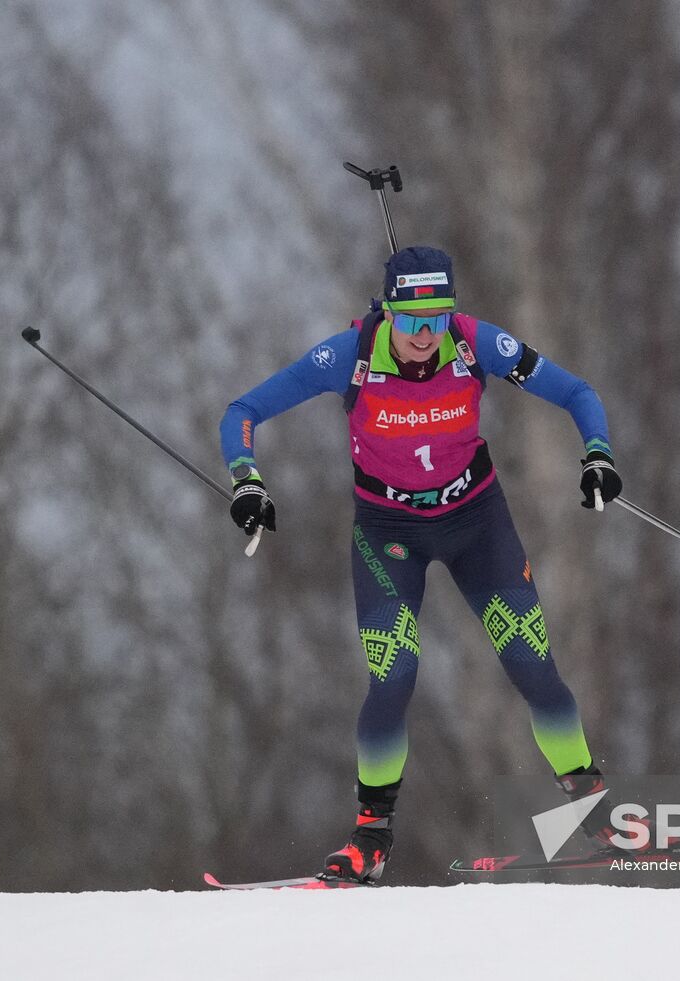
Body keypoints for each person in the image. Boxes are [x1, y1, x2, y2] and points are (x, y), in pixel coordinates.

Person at [218, 245, 624, 882]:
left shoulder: (474, 344)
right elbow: (241, 412)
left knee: (533, 667)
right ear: (388, 315)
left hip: (476, 523)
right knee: (395, 675)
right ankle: (371, 839)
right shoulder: (346, 357)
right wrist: (246, 480)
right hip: (388, 533)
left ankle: (597, 816)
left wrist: (598, 453)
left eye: (437, 318)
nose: (425, 336)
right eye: (411, 322)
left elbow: (577, 391)